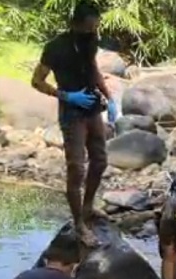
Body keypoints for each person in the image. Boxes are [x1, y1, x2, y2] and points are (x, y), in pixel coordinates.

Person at [30, 3, 117, 247]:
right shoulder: (55, 48)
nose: (95, 29)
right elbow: (36, 81)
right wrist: (67, 96)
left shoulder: (90, 39)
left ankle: (88, 207)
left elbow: (93, 69)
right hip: (71, 111)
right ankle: (79, 224)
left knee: (100, 161)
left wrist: (110, 99)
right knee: (76, 168)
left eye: (96, 25)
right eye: (91, 25)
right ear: (78, 22)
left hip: (91, 107)